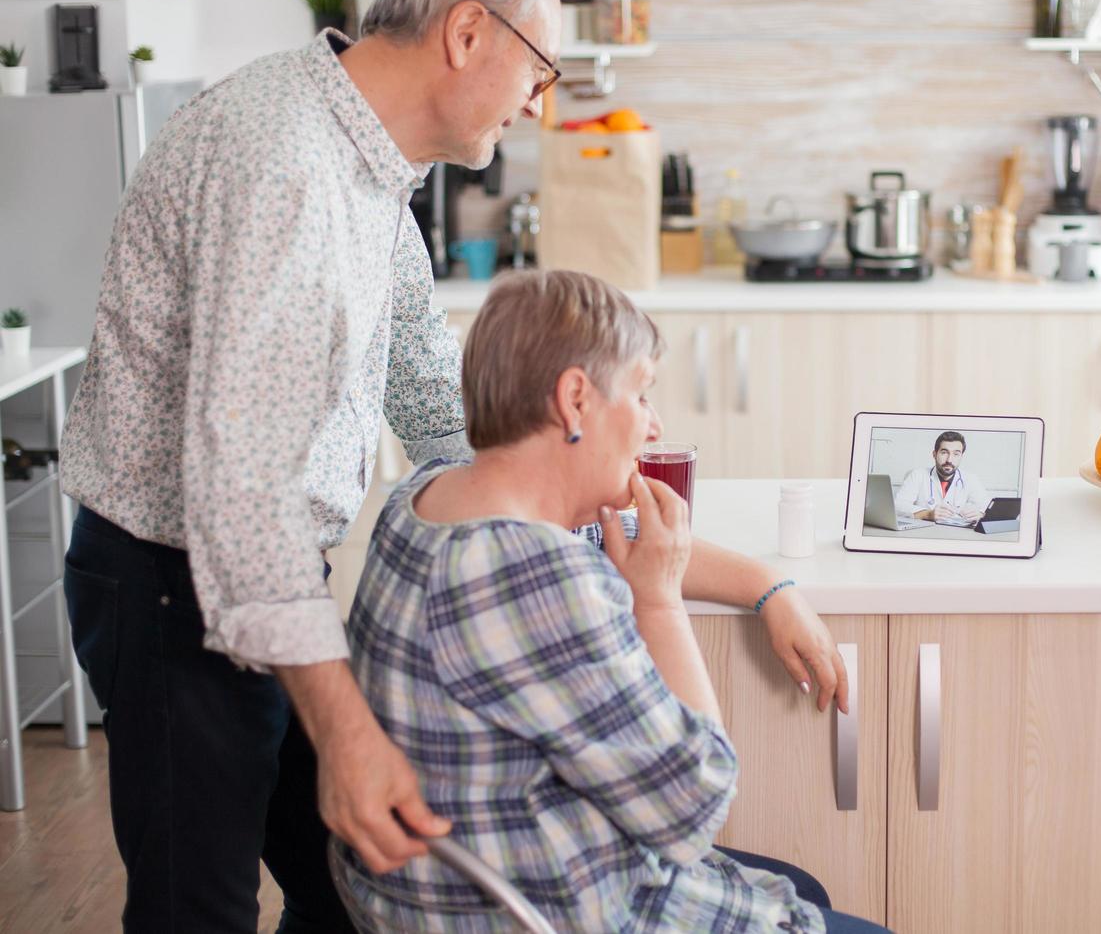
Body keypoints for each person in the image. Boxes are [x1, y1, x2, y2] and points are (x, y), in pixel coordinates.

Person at [57, 0, 846, 930]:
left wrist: (703, 560)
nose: (538, 107)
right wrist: (346, 733)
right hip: (169, 576)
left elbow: (442, 410)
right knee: (199, 904)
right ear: (467, 34)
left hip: (268, 579)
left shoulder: (374, 169)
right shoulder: (288, 166)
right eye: (539, 72)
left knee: (342, 880)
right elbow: (243, 490)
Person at [331, 269, 888, 934]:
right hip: (564, 907)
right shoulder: (545, 580)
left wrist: (768, 587)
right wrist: (658, 604)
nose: (653, 427)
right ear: (575, 400)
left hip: (432, 898)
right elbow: (693, 810)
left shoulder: (419, 502)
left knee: (804, 887)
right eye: (643, 393)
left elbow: (610, 536)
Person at [893, 431, 992, 525]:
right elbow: (898, 506)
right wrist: (928, 514)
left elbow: (988, 507)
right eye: (944, 452)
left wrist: (981, 514)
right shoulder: (917, 475)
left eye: (956, 454)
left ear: (961, 456)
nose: (949, 460)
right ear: (934, 454)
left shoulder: (971, 479)